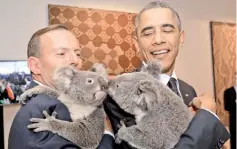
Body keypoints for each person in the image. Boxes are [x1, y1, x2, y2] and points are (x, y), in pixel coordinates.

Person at [103, 1, 230, 149]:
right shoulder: (118, 94)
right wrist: (207, 117)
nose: (158, 40)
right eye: (148, 33)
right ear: (137, 44)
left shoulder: (187, 90)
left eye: (167, 30)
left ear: (181, 38)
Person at [8, 24, 114, 149]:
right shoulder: (44, 110)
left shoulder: (54, 99)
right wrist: (108, 133)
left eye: (78, 53)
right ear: (35, 66)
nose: (75, 60)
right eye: (61, 53)